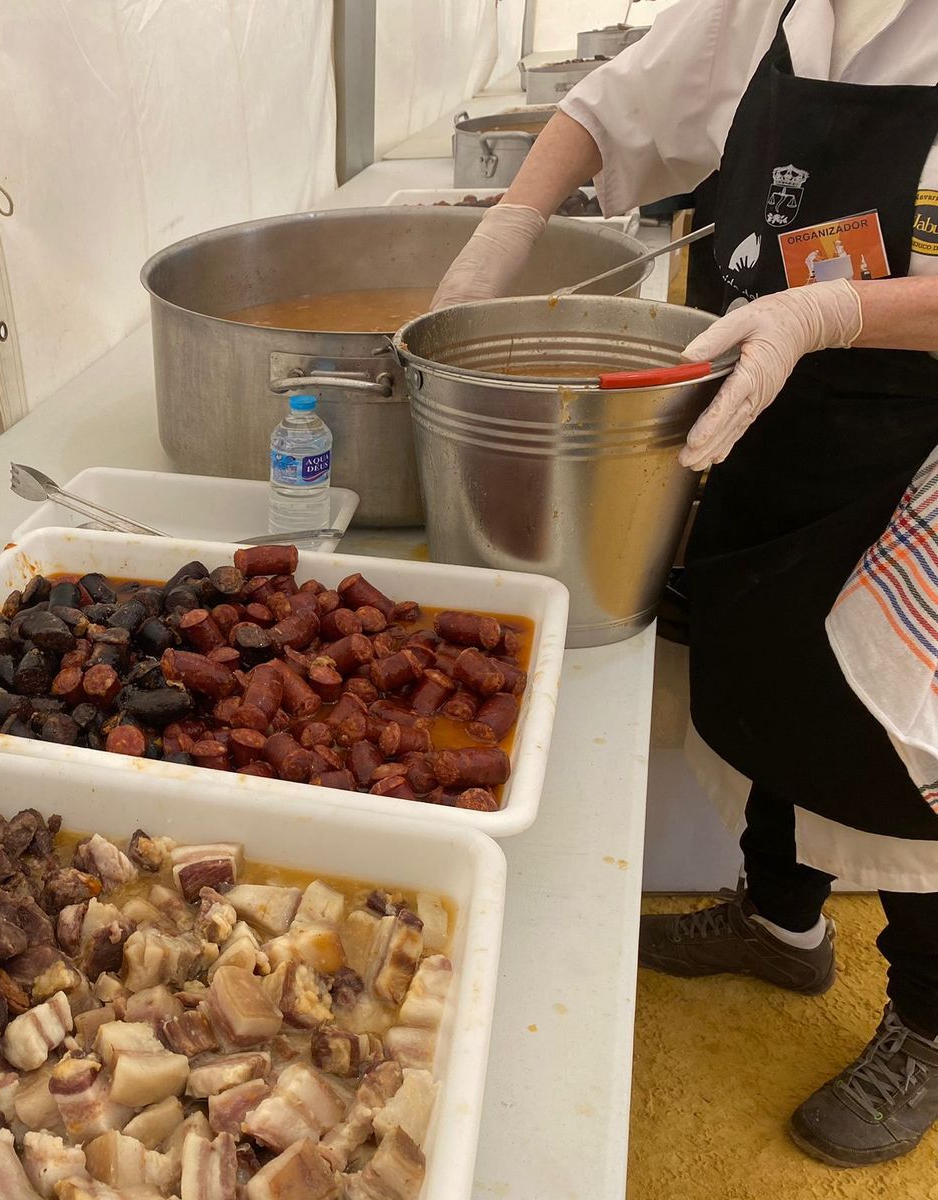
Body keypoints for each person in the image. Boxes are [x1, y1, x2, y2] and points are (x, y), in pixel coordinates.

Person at [432, 0, 938, 1167]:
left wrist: (829, 307)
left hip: (913, 456)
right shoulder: (769, 6)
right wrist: (505, 229)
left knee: (903, 766)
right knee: (768, 677)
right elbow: (607, 111)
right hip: (762, 409)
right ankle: (779, 920)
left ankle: (923, 1022)